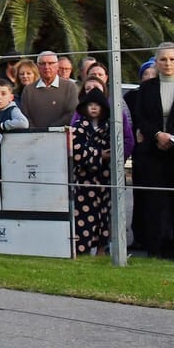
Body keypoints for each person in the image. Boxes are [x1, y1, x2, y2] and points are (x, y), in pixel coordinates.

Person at [128, 43, 174, 260]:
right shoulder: (147, 88)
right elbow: (141, 117)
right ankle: (155, 249)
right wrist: (158, 135)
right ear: (156, 62)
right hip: (153, 152)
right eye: (163, 59)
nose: (167, 63)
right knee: (154, 203)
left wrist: (171, 137)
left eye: (171, 59)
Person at [69, 87, 112, 256]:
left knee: (104, 216)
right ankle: (82, 250)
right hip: (84, 180)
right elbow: (78, 151)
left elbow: (113, 149)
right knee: (84, 217)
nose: (94, 108)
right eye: (90, 105)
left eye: (98, 105)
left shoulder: (109, 126)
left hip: (104, 179)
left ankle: (102, 249)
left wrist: (102, 155)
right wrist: (99, 155)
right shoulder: (79, 126)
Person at [21, 51, 76, 131]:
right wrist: (37, 131)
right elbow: (25, 116)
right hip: (35, 137)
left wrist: (50, 130)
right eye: (42, 63)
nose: (46, 67)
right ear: (37, 66)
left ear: (57, 66)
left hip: (61, 136)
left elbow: (72, 113)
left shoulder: (69, 87)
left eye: (50, 63)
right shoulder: (29, 90)